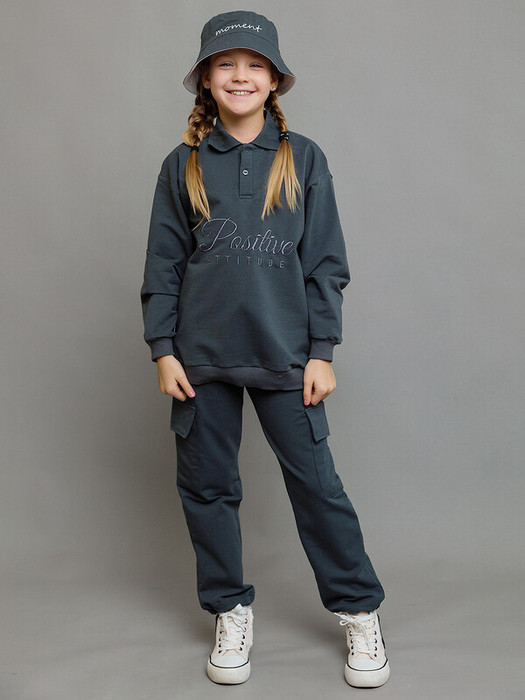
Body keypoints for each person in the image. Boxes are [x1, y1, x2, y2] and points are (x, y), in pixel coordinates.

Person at [141, 10, 390, 689]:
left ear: (275, 80)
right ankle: (229, 609)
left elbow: (326, 263)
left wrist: (321, 351)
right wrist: (163, 349)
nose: (240, 75)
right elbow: (163, 264)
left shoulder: (302, 158)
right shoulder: (183, 164)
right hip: (199, 361)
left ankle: (358, 610)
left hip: (287, 358)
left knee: (317, 487)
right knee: (207, 488)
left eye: (255, 65)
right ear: (205, 79)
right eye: (226, 64)